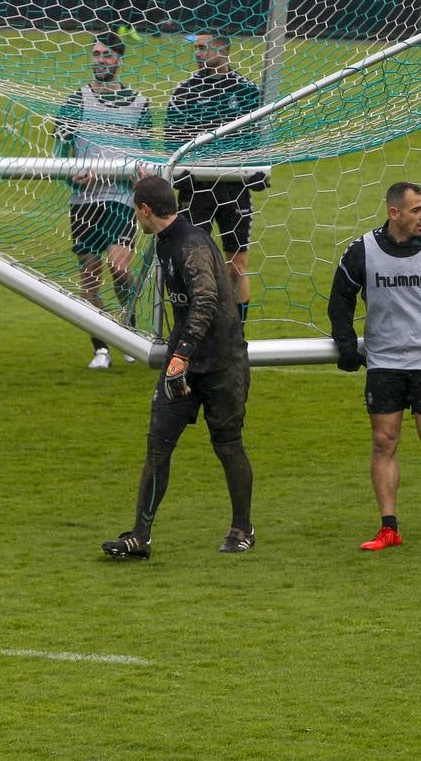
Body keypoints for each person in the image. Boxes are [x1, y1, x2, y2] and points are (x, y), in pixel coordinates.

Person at [102, 175, 255, 560]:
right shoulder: (170, 239)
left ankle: (242, 528)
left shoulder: (190, 244)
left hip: (221, 364)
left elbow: (204, 302)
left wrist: (181, 356)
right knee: (158, 446)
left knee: (228, 445)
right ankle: (140, 536)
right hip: (185, 363)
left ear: (144, 210)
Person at [328, 181, 421, 551]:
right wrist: (345, 344)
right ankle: (389, 526)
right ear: (394, 213)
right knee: (383, 441)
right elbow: (340, 299)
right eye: (416, 210)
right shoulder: (363, 250)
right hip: (385, 359)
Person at [54, 31, 151, 370]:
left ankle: (130, 328)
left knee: (119, 267)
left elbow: (148, 154)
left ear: (120, 60)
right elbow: (58, 154)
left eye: (107, 55)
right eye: (95, 54)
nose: (100, 60)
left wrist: (142, 176)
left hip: (121, 200)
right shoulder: (75, 101)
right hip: (84, 201)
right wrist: (71, 174)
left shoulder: (140, 103)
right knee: (90, 276)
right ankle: (101, 348)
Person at [165, 32, 265, 324]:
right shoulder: (184, 91)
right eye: (195, 48)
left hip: (234, 187)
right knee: (192, 264)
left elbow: (259, 136)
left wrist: (258, 166)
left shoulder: (246, 90)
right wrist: (177, 170)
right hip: (196, 188)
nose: (198, 54)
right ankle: (192, 329)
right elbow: (171, 137)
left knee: (237, 265)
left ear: (223, 50)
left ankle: (238, 334)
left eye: (203, 48)